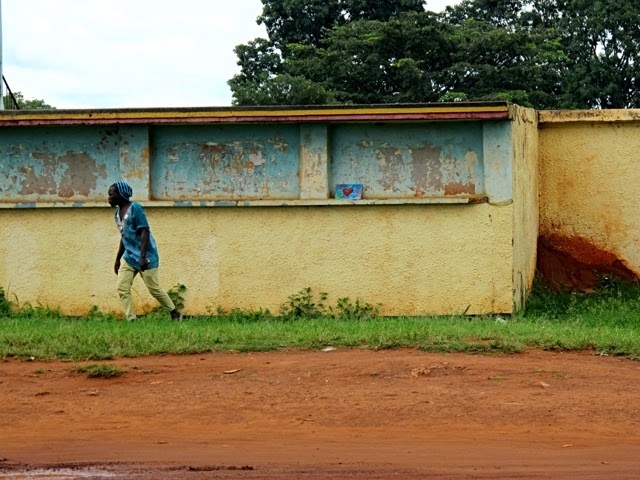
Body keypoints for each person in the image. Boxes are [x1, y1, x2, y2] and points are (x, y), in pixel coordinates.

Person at [108, 181, 183, 321]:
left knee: (154, 289)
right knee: (122, 287)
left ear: (121, 195)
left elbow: (144, 231)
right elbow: (124, 237)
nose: (109, 198)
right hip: (129, 257)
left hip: (146, 256)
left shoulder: (135, 208)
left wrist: (142, 257)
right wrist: (117, 259)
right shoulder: (117, 214)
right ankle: (132, 319)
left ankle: (174, 312)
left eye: (111, 195)